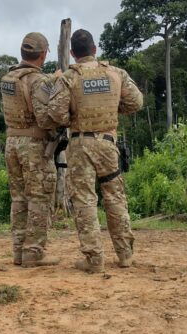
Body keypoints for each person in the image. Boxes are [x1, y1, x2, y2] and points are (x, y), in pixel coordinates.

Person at [48, 29, 143, 273]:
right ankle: (125, 255)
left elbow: (56, 113)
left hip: (80, 145)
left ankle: (94, 259)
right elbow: (136, 102)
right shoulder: (116, 73)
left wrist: (72, 117)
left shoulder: (69, 77)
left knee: (84, 201)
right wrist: (112, 110)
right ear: (95, 49)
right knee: (115, 197)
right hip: (108, 144)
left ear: (72, 53)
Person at [1, 32, 62, 268]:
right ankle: (34, 253)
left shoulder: (9, 77)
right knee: (39, 197)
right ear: (43, 54)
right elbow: (45, 118)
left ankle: (18, 251)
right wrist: (53, 86)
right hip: (34, 146)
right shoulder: (38, 81)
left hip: (12, 143)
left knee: (18, 199)